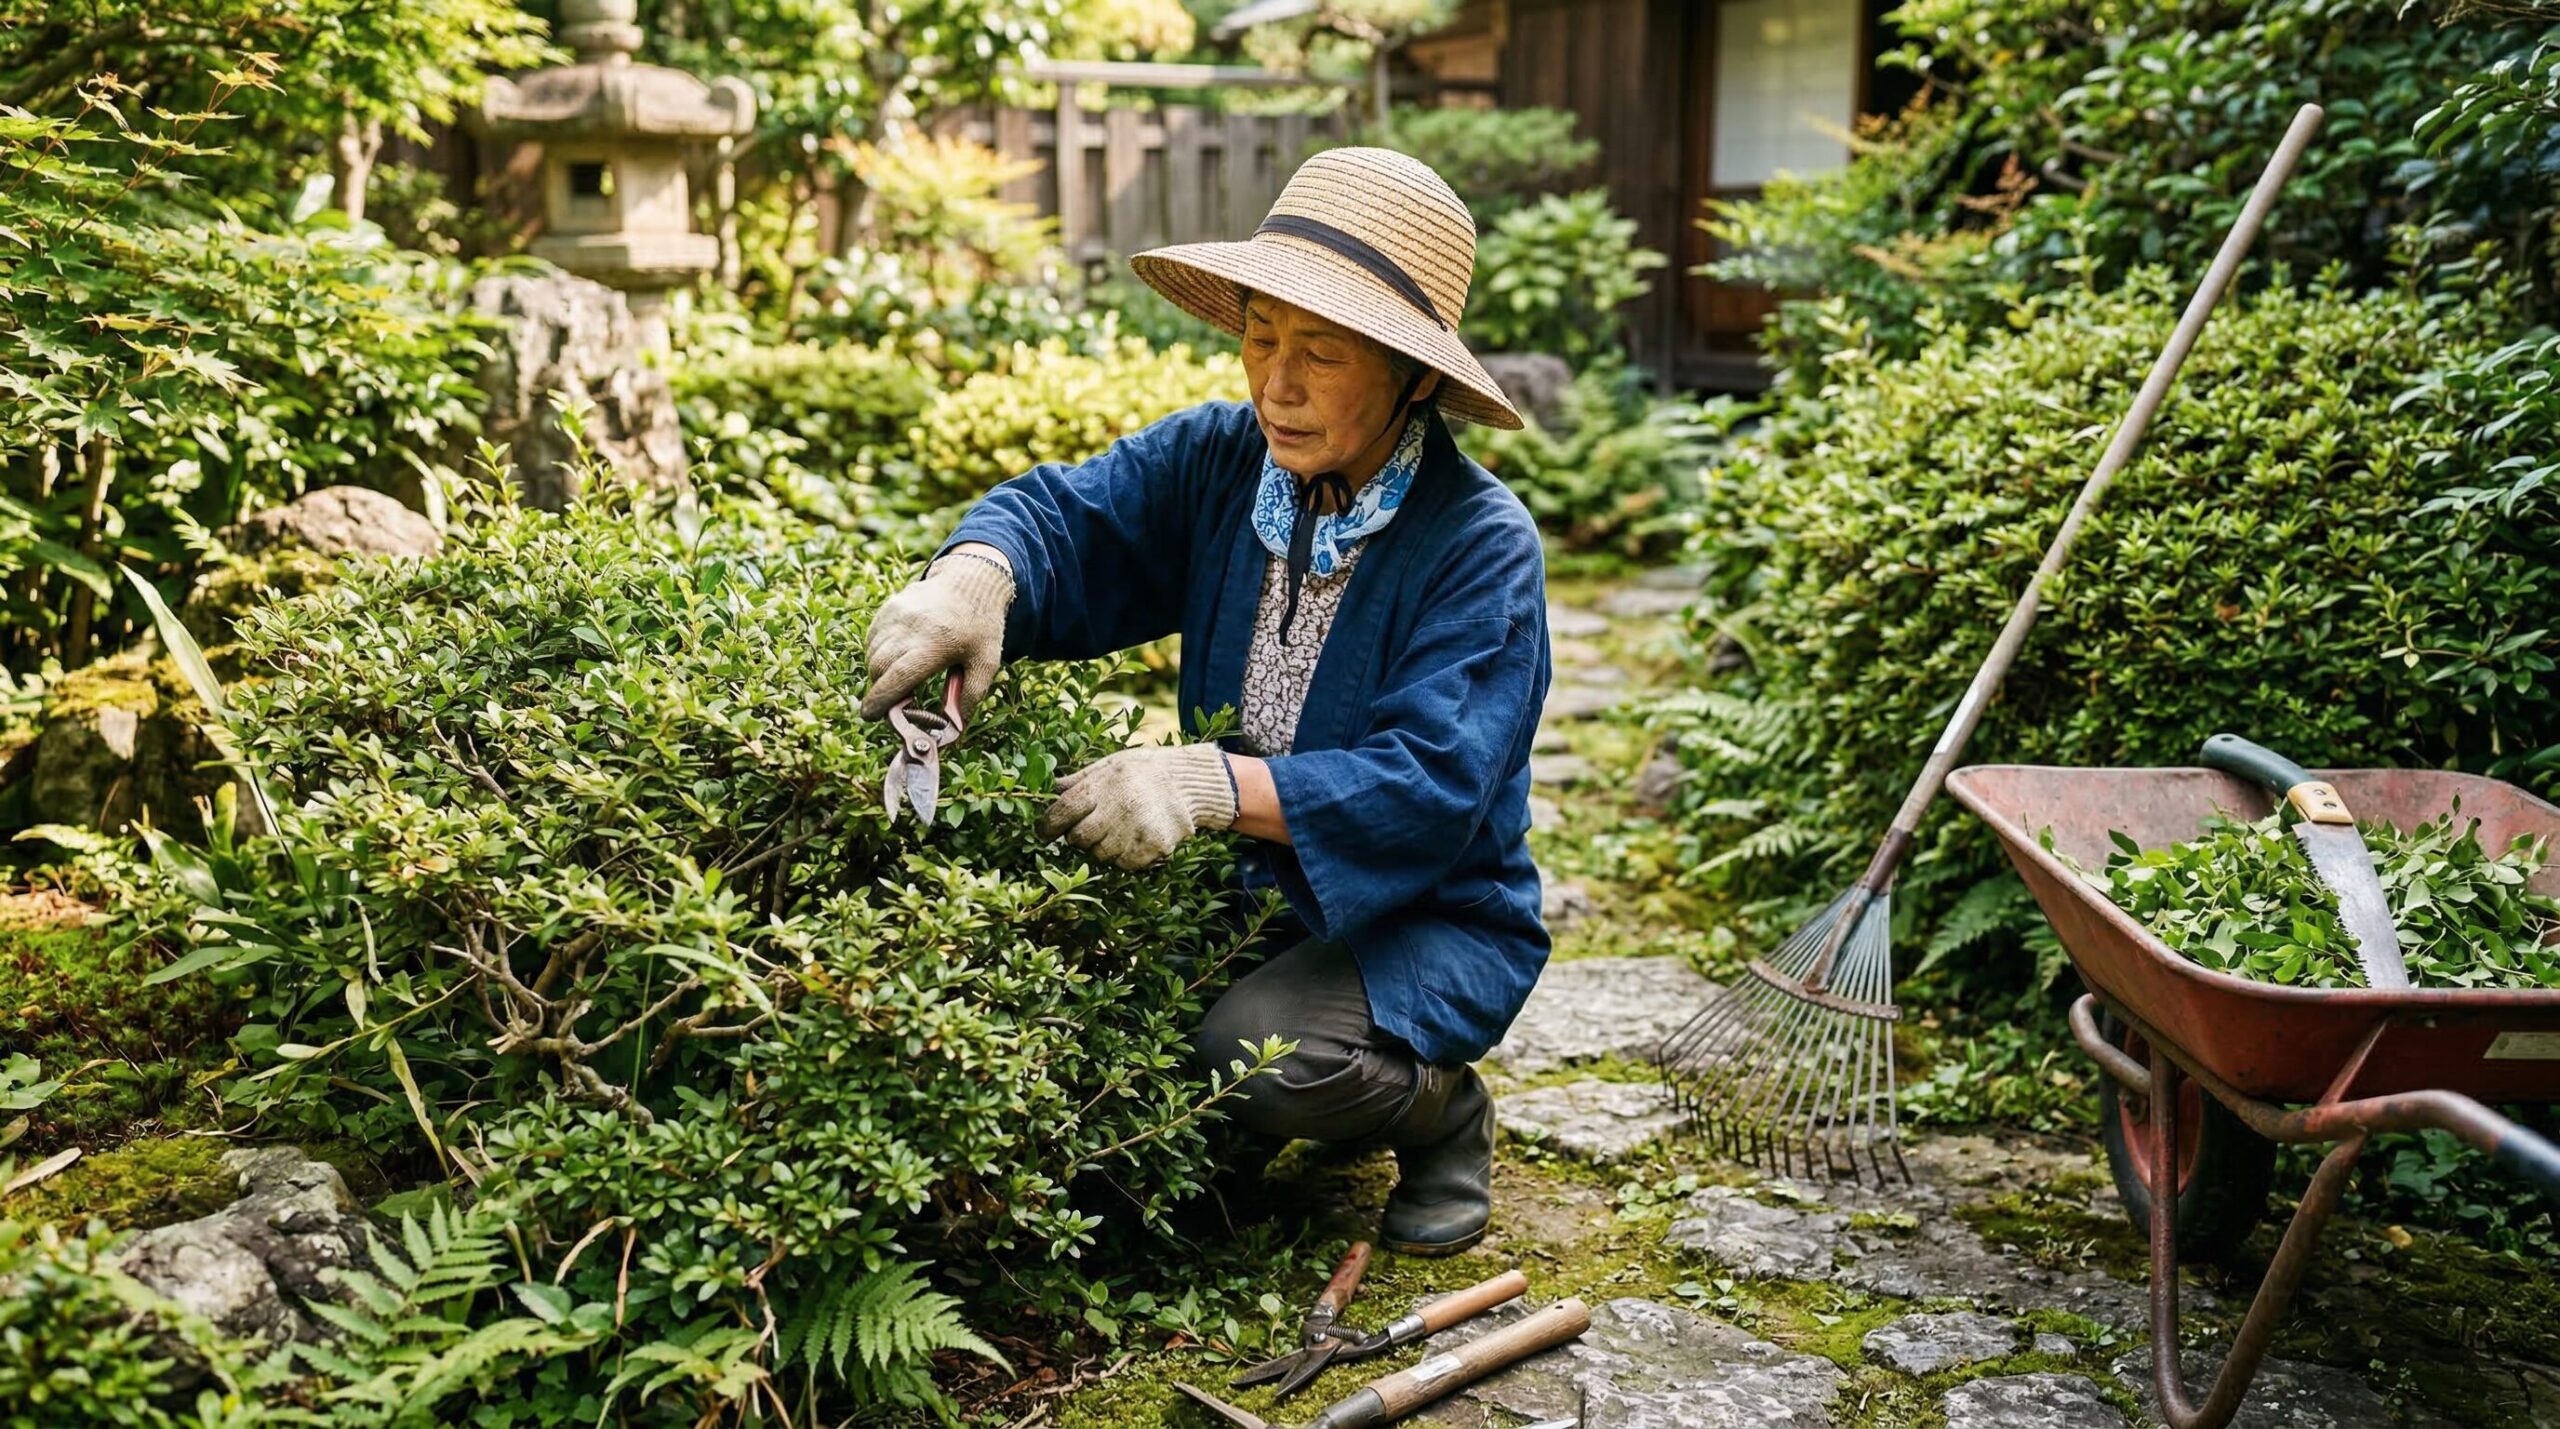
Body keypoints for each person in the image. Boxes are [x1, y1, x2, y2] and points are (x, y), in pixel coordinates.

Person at [861, 147, 1551, 1255]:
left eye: (1320, 353)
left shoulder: (1478, 545)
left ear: (1414, 376)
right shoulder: (1224, 462)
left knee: (1260, 1053)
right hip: (1245, 902)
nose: (1275, 383)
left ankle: (1438, 1111)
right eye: (1261, 337)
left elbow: (1431, 787)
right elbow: (1070, 518)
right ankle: (1284, 1097)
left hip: (1423, 914)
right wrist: (973, 577)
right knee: (1117, 1135)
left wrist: (1205, 781)